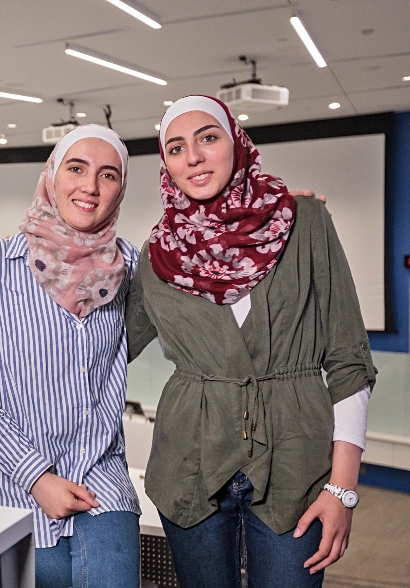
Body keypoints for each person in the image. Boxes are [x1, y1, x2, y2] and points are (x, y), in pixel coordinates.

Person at [126, 95, 375, 588]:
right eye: (176, 147)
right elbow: (100, 348)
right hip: (188, 469)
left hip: (297, 467)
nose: (193, 156)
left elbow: (349, 359)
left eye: (208, 138)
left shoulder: (304, 223)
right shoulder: (156, 257)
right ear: (166, 165)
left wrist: (342, 488)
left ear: (236, 144)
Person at [0, 125, 141, 588]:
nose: (90, 187)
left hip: (100, 475)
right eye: (76, 168)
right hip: (14, 485)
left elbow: (207, 275)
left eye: (108, 175)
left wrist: (272, 220)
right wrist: (37, 477)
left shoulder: (131, 266)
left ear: (120, 190)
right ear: (53, 174)